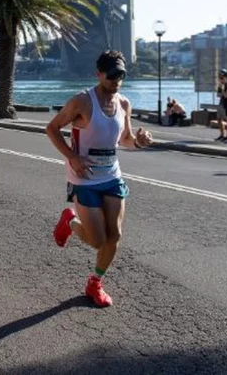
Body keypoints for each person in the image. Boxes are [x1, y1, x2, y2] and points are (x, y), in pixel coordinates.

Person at [46, 50, 153, 308]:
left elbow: (124, 139)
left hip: (111, 175)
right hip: (84, 178)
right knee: (97, 240)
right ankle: (70, 221)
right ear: (99, 74)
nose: (117, 80)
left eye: (121, 75)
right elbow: (52, 128)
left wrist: (138, 143)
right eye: (112, 74)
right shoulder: (83, 101)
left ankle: (95, 282)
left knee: (114, 236)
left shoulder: (124, 104)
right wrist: (72, 156)